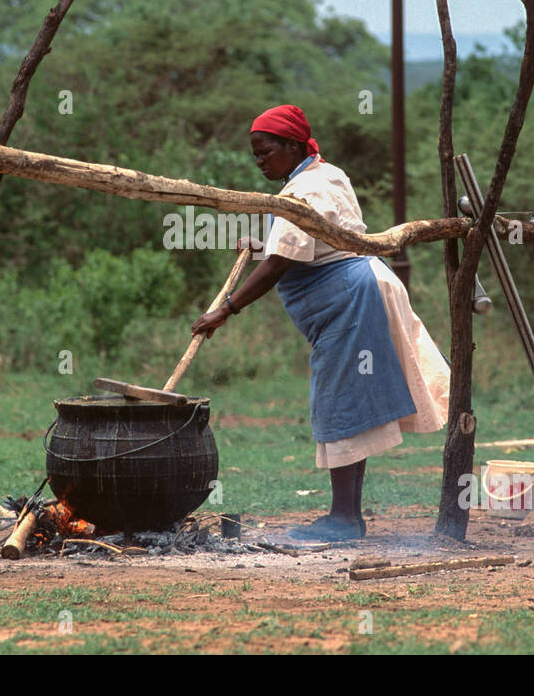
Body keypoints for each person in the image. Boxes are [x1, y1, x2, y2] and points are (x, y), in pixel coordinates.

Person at [191, 105, 451, 541]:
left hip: (352, 302)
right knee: (345, 399)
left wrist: (226, 309)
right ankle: (346, 515)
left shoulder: (304, 192)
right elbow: (307, 246)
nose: (260, 162)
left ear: (292, 146)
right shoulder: (322, 176)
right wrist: (263, 244)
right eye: (255, 154)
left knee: (341, 401)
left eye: (266, 152)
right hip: (360, 293)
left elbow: (278, 266)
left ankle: (345, 520)